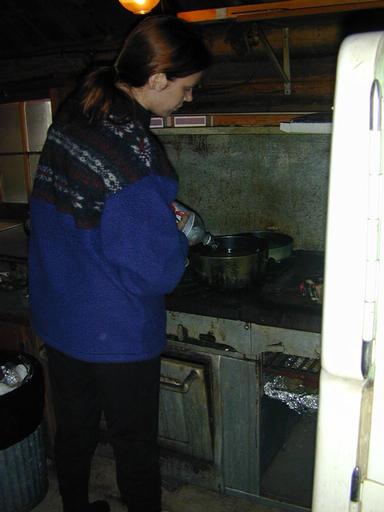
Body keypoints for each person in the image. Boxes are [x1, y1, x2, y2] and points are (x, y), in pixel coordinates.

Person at [28, 15, 211, 512]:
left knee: (76, 432)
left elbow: (46, 219)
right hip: (117, 333)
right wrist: (178, 242)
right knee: (134, 446)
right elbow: (154, 270)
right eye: (187, 88)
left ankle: (76, 507)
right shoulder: (134, 153)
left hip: (62, 320)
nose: (188, 99)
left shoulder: (72, 121)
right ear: (156, 80)